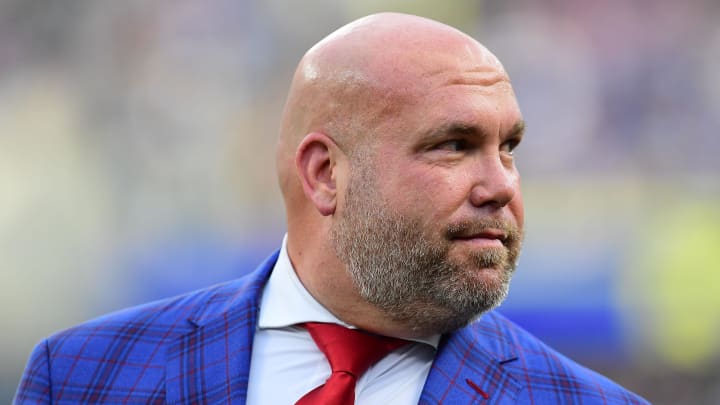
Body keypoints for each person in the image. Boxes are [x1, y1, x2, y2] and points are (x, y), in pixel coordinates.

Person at [15, 12, 649, 404]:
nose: (500, 185)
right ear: (324, 174)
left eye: (507, 148)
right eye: (453, 146)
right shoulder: (82, 376)